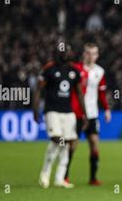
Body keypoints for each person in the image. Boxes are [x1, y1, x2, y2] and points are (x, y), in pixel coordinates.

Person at [33, 44, 87, 189]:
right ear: (57, 53)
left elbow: (79, 93)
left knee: (68, 142)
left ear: (70, 53)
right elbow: (39, 89)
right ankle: (45, 173)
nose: (64, 53)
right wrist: (35, 108)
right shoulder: (49, 69)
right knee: (57, 139)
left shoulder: (74, 71)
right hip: (52, 110)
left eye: (67, 51)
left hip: (68, 112)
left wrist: (84, 114)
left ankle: (60, 178)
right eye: (61, 51)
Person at [65, 43, 112, 186]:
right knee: (72, 145)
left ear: (97, 55)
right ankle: (64, 176)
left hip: (92, 113)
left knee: (94, 144)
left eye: (94, 53)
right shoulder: (75, 69)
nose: (91, 56)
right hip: (76, 113)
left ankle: (93, 178)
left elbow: (101, 93)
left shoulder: (100, 71)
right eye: (88, 53)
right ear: (84, 54)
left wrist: (107, 109)